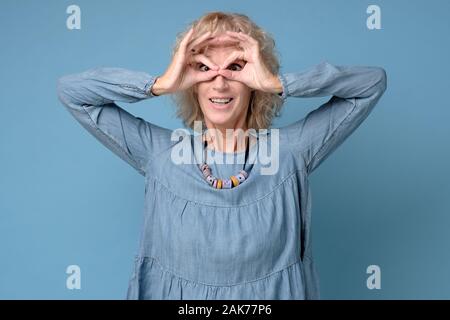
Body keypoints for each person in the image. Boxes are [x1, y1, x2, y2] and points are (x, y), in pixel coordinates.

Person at [56, 11, 387, 299]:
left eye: (236, 67)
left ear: (253, 80)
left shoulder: (289, 153)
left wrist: (277, 82)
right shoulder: (161, 154)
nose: (219, 82)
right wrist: (160, 83)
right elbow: (72, 92)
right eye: (203, 68)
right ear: (191, 82)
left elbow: (371, 83)